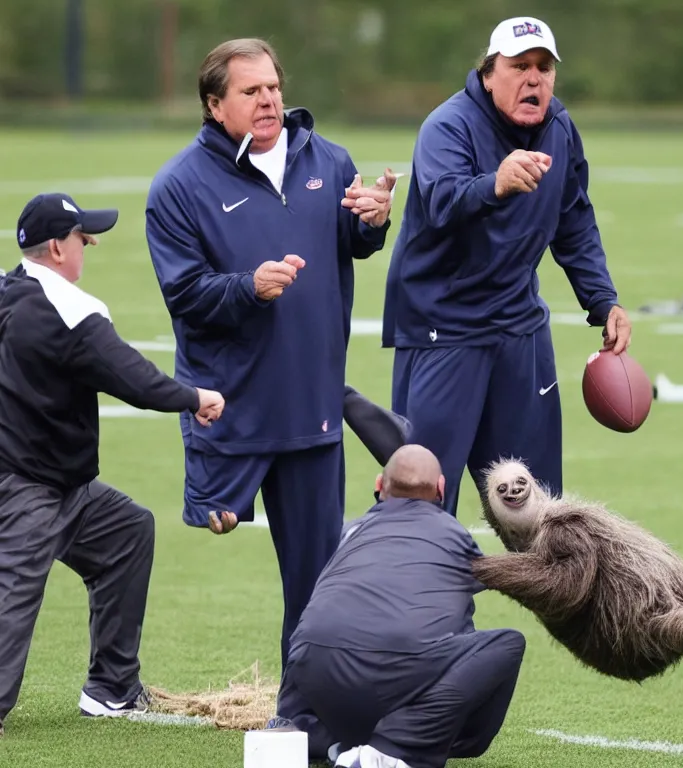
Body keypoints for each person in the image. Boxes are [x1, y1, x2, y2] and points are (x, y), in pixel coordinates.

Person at [144, 37, 397, 670]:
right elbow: (184, 295)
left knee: (318, 587)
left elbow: (355, 240)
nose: (268, 101)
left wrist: (372, 220)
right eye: (250, 92)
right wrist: (248, 288)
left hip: (312, 404)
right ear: (213, 105)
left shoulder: (330, 161)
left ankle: (310, 709)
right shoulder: (177, 187)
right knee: (216, 521)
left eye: (274, 88)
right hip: (235, 406)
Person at [381, 16, 633, 518]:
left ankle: (557, 596)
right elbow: (441, 201)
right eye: (520, 66)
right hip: (444, 329)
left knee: (540, 509)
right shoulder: (448, 126)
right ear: (489, 72)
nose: (533, 79)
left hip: (518, 327)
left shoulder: (559, 128)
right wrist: (494, 184)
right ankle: (427, 598)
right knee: (421, 495)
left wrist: (602, 300)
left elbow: (575, 222)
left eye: (544, 68)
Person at [0, 193, 226, 735]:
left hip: (61, 486)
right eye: (83, 238)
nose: (89, 245)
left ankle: (112, 688)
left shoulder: (10, 288)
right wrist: (196, 398)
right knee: (14, 591)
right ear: (57, 246)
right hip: (28, 487)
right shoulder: (74, 311)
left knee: (127, 530)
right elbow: (134, 379)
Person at [274, 445, 526, 768]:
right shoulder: (453, 534)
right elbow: (461, 624)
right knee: (507, 644)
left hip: (314, 669)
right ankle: (392, 748)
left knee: (320, 628)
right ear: (440, 489)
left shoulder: (350, 532)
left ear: (380, 486)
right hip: (398, 671)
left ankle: (302, 733)